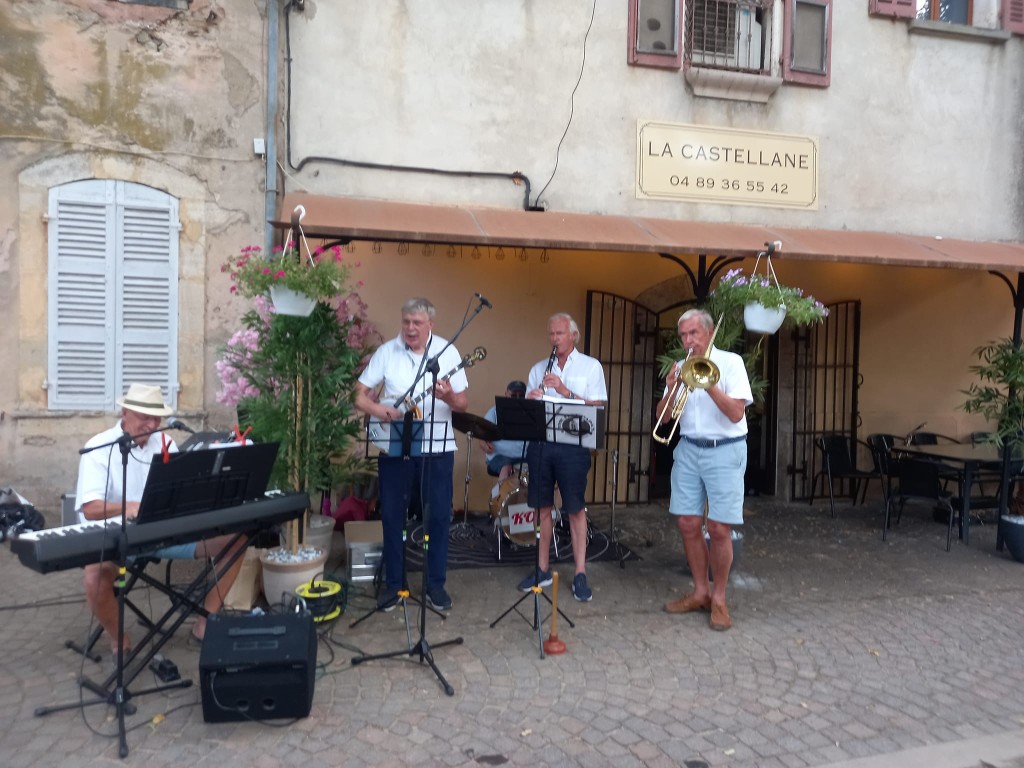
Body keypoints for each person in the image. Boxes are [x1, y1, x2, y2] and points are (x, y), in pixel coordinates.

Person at [76, 383, 245, 661]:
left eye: (157, 419)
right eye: (145, 417)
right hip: (116, 540)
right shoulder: (99, 447)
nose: (152, 425)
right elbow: (90, 508)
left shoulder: (165, 442)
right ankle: (119, 639)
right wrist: (130, 506)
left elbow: (181, 490)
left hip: (163, 533)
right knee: (94, 579)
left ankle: (205, 622)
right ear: (125, 412)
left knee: (236, 540)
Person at [354, 297, 469, 612]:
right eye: (406, 321)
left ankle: (435, 585)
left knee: (439, 519)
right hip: (395, 448)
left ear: (430, 324)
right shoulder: (387, 352)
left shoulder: (447, 352)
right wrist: (378, 410)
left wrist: (449, 396)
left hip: (437, 451)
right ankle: (395, 585)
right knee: (393, 516)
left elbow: (462, 404)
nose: (410, 328)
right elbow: (359, 395)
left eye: (417, 323)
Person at [657, 308, 752, 631]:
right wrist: (672, 387)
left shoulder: (731, 363)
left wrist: (707, 382)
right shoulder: (680, 366)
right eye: (683, 335)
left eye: (693, 333)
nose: (688, 340)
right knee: (687, 523)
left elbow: (736, 413)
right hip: (688, 448)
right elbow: (663, 418)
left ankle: (720, 598)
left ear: (709, 333)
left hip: (725, 449)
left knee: (720, 528)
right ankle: (700, 592)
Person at [516, 312, 607, 602]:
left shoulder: (591, 367)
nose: (554, 339)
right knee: (541, 508)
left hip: (573, 446)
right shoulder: (538, 369)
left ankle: (580, 573)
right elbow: (528, 413)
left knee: (575, 509)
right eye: (551, 334)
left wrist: (565, 391)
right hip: (541, 445)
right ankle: (542, 568)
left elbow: (598, 406)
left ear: (573, 336)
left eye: (560, 333)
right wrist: (531, 402)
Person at [481, 380, 528, 484]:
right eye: (514, 395)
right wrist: (485, 445)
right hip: (500, 456)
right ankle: (501, 493)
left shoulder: (530, 413)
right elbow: (482, 438)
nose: (517, 398)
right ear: (506, 394)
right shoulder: (494, 412)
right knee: (506, 468)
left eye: (521, 396)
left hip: (525, 456)